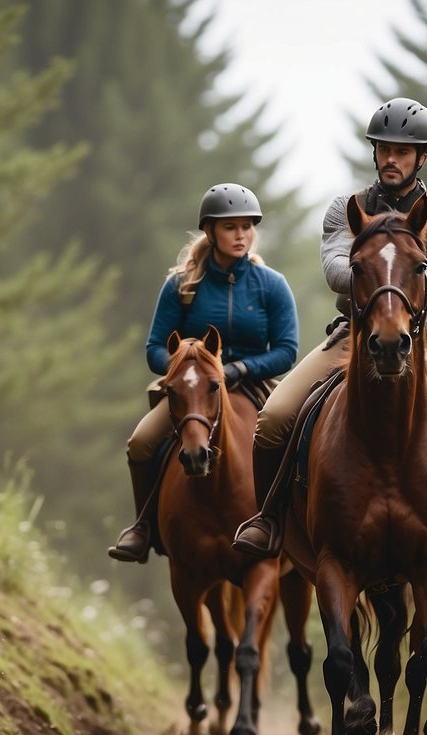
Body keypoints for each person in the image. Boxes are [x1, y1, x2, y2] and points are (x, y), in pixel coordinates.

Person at [233, 97, 427, 562]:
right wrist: (397, 271)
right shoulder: (344, 210)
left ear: (422, 157)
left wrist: (394, 274)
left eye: (402, 152)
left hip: (418, 339)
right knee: (274, 417)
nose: (391, 159)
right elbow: (336, 273)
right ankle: (267, 520)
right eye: (383, 149)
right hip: (351, 334)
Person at [108, 183, 299, 563]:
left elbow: (287, 350)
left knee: (298, 437)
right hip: (193, 388)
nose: (241, 235)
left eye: (247, 226)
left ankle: (295, 524)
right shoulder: (181, 285)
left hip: (252, 383)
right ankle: (144, 526)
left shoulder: (271, 285)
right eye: (231, 227)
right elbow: (154, 348)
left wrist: (241, 367)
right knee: (141, 443)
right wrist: (186, 371)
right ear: (211, 232)